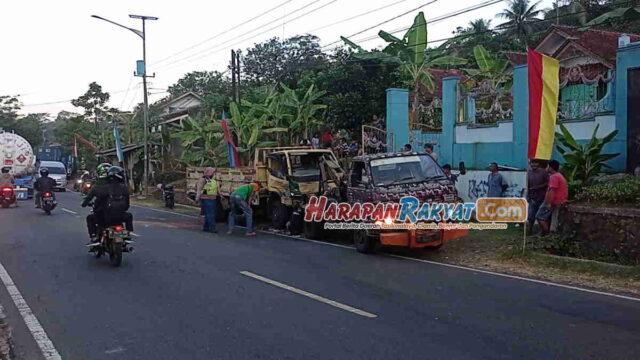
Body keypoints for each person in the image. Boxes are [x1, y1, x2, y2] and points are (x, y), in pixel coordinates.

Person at [81, 163, 113, 244]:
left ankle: (94, 235)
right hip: (117, 213)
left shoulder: (97, 187)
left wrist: (84, 204)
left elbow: (88, 198)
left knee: (91, 218)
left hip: (103, 213)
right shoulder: (117, 185)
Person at [536, 160, 568, 236]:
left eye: (547, 166)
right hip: (558, 201)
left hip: (552, 201)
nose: (546, 168)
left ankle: (547, 234)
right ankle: (544, 233)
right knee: (549, 219)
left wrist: (549, 203)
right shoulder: (559, 175)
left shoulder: (554, 177)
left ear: (551, 167)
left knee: (539, 216)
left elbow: (552, 191)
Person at [527, 159, 549, 234]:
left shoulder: (543, 172)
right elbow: (528, 186)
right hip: (532, 197)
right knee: (530, 216)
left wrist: (538, 187)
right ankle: (529, 230)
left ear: (538, 164)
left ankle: (542, 231)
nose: (533, 165)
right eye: (532, 163)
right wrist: (528, 196)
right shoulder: (529, 173)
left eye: (535, 163)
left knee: (540, 216)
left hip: (542, 197)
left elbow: (548, 183)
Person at [196, 167, 219, 233]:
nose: (213, 173)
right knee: (211, 214)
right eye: (212, 172)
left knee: (209, 213)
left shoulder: (213, 180)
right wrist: (197, 198)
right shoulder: (203, 180)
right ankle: (212, 227)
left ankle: (206, 227)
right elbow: (199, 189)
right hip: (206, 199)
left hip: (213, 198)